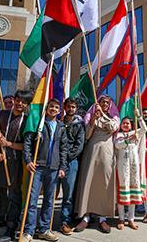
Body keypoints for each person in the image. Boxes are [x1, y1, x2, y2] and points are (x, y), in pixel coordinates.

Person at [0, 90, 32, 242]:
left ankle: (10, 230)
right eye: (18, 100)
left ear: (27, 105)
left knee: (14, 198)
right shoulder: (1, 115)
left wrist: (8, 144)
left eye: (24, 102)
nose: (20, 104)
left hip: (15, 165)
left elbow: (27, 145)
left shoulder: (28, 121)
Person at [20, 98, 68, 242]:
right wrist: (28, 160)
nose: (53, 109)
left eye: (56, 107)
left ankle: (44, 229)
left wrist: (62, 167)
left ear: (59, 111)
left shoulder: (61, 126)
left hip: (53, 168)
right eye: (51, 107)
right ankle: (29, 231)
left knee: (49, 200)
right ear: (46, 109)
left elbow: (63, 149)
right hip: (37, 167)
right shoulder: (39, 124)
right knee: (32, 200)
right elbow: (27, 143)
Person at [74, 95, 119, 234]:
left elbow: (113, 127)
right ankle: (86, 216)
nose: (105, 104)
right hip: (92, 150)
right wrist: (93, 118)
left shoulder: (113, 117)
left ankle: (102, 218)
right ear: (98, 103)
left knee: (104, 181)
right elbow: (87, 135)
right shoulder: (91, 115)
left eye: (107, 102)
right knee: (89, 180)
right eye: (102, 102)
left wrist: (103, 116)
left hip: (107, 151)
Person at [115, 110, 146, 230]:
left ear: (132, 125)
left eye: (128, 123)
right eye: (124, 123)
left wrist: (139, 115)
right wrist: (128, 139)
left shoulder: (136, 132)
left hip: (133, 166)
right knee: (123, 193)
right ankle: (121, 219)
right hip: (122, 167)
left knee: (133, 192)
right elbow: (118, 145)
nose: (126, 125)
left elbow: (144, 128)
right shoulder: (118, 135)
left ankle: (131, 219)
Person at [58, 98, 86, 235]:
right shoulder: (58, 123)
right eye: (68, 106)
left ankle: (65, 221)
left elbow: (79, 145)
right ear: (64, 107)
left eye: (73, 107)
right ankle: (45, 221)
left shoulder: (79, 125)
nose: (70, 109)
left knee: (68, 194)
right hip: (55, 161)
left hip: (71, 161)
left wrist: (67, 156)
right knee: (51, 193)